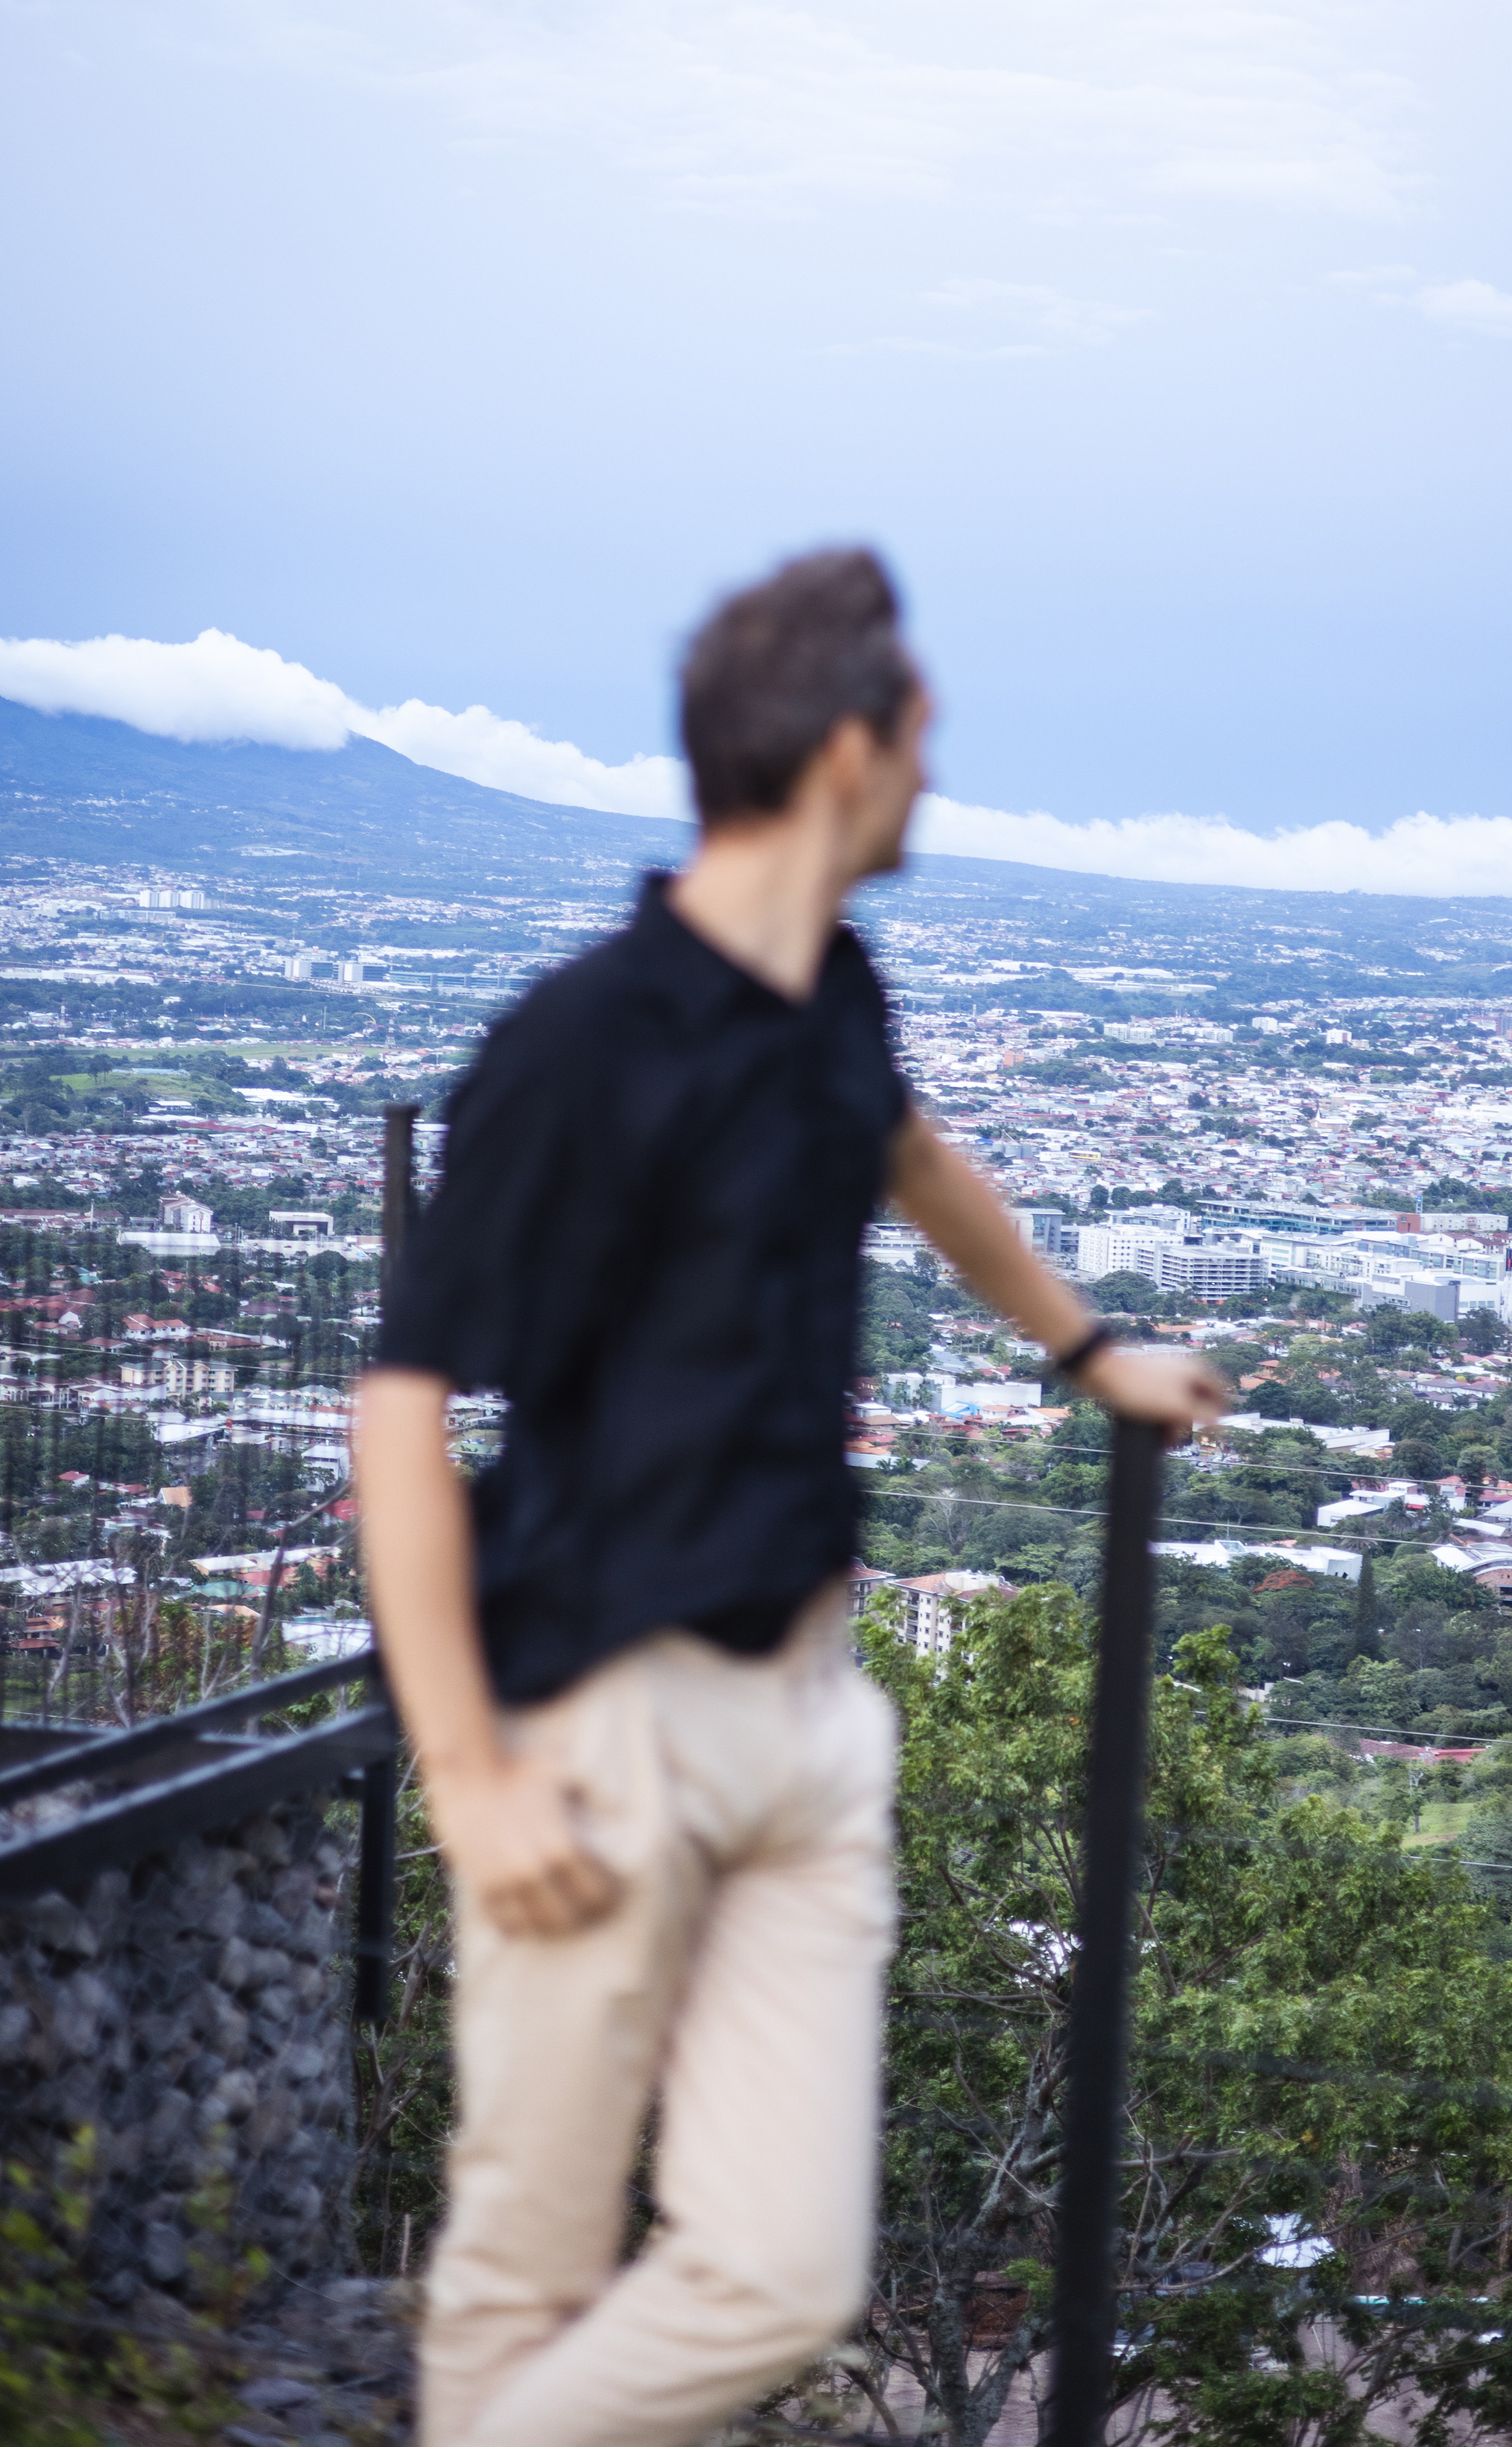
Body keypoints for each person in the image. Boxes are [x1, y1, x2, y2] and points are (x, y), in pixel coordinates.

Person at [355, 548, 1227, 2447]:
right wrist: (469, 1778)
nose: (933, 775)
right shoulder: (581, 1042)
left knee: (782, 2272)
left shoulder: (835, 991)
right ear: (847, 750)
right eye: (920, 736)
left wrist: (1088, 1351)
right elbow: (400, 1412)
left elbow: (912, 1160)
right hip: (600, 1723)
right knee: (523, 2266)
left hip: (809, 1716)